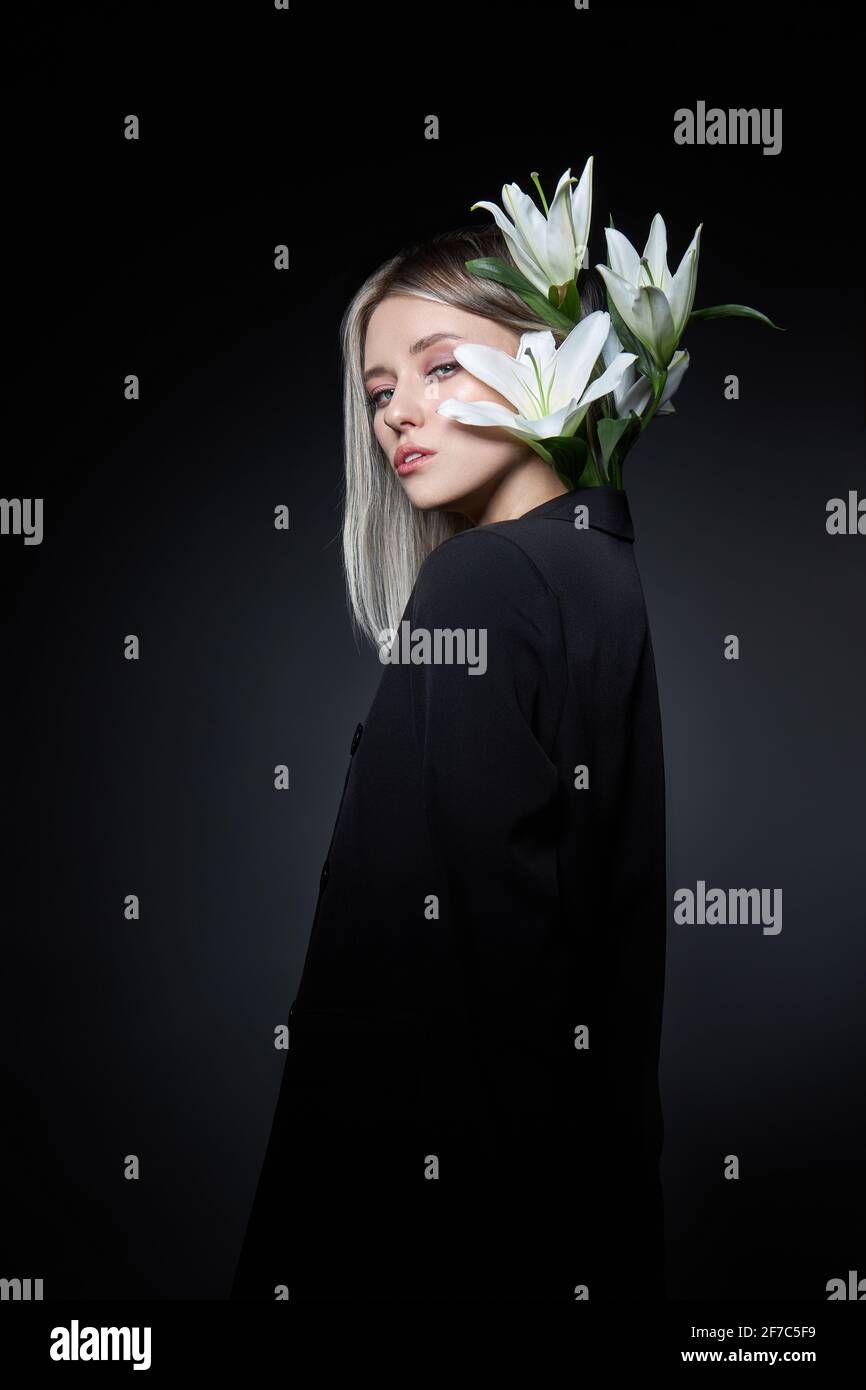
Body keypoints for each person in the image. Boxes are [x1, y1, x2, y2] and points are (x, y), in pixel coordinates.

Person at [230, 224, 667, 1302]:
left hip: (432, 1228)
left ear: (549, 356)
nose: (396, 415)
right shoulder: (596, 565)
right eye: (379, 391)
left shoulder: (485, 580)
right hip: (573, 1204)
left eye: (438, 367)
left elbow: (471, 964)